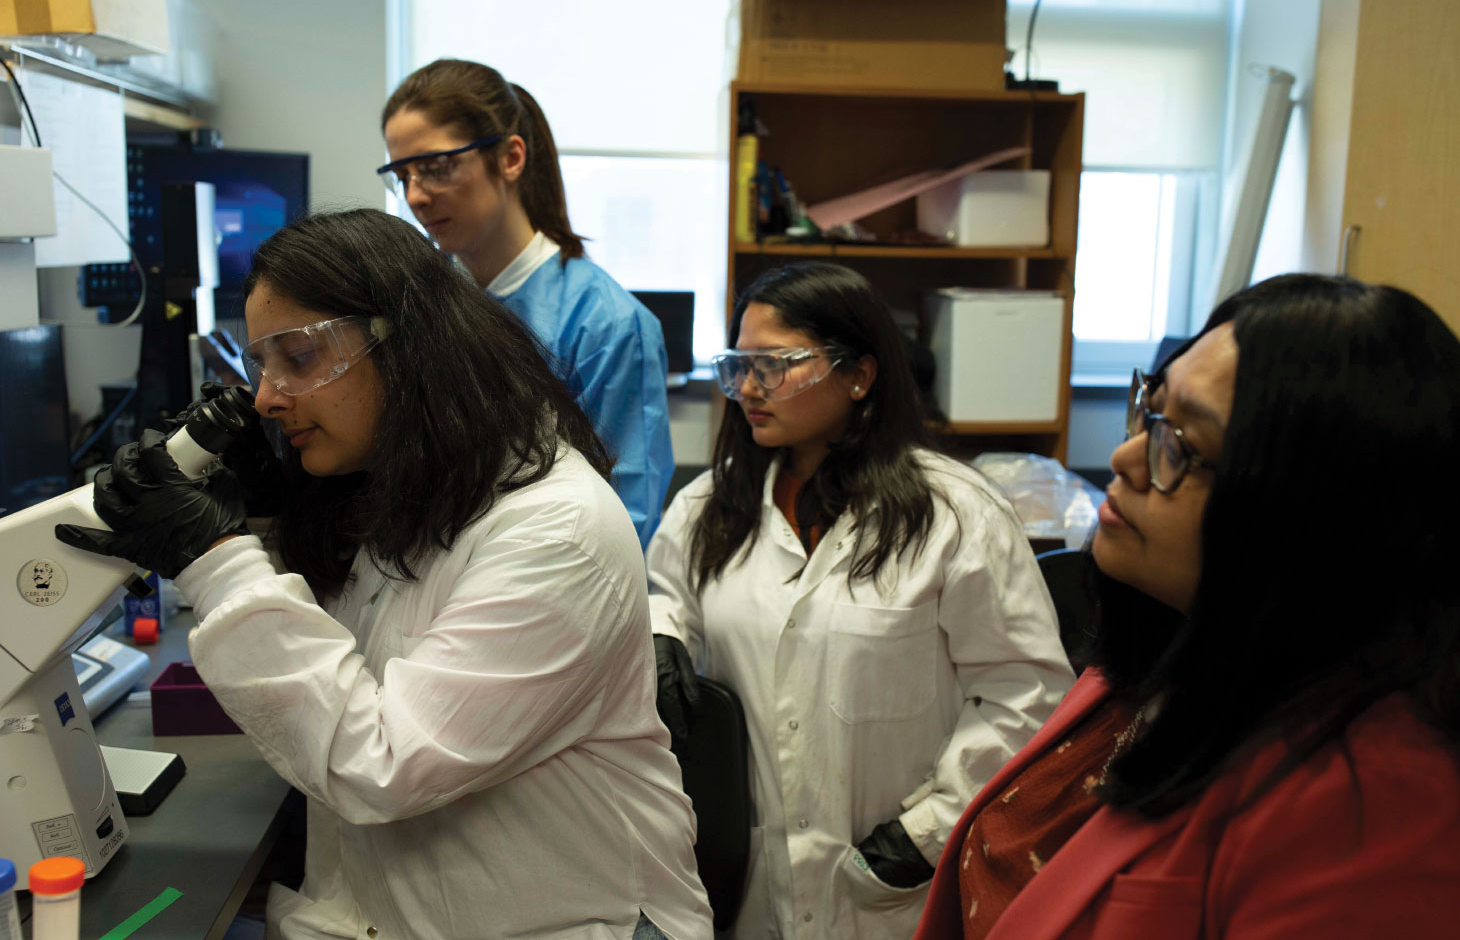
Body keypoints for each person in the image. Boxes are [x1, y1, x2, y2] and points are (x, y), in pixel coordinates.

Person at [58, 209, 713, 940]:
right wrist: (275, 515)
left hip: (567, 919)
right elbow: (358, 646)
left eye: (297, 359)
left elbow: (383, 761)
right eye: (259, 365)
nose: (268, 398)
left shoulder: (556, 530)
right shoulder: (422, 481)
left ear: (408, 348)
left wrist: (216, 560)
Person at [913, 273, 1460, 940]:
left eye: (1184, 445)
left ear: (1318, 515)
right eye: (1150, 409)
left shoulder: (1373, 812)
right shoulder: (1162, 655)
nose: (1123, 456)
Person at [646, 262, 1075, 938]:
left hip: (897, 886)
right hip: (748, 888)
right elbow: (666, 595)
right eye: (739, 365)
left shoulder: (957, 514)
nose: (749, 388)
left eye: (776, 364)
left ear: (859, 374)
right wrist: (662, 631)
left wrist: (929, 829)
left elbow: (1028, 692)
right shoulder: (707, 508)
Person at [379, 59, 673, 548]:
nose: (416, 196)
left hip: (550, 584)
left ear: (510, 158)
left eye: (434, 168)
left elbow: (627, 515)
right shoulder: (418, 303)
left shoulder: (605, 324)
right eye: (401, 174)